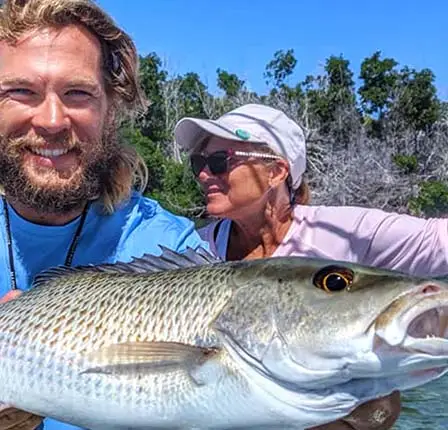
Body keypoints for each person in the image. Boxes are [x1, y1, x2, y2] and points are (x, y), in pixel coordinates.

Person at [0, 0, 209, 429]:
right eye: (20, 92)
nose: (53, 120)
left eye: (78, 93)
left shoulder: (171, 249)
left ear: (112, 109)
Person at [174, 103, 448, 429]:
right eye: (199, 163)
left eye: (220, 162)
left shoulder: (349, 231)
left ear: (276, 172)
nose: (204, 175)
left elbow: (440, 240)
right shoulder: (189, 246)